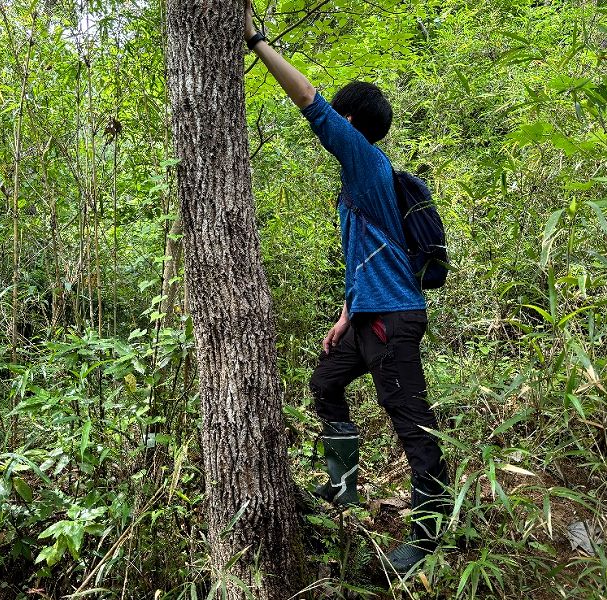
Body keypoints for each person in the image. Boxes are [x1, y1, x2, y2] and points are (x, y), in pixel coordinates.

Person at [244, 2, 450, 574]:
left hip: (393, 318)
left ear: (354, 125)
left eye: (342, 113)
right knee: (325, 383)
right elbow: (368, 255)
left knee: (410, 419)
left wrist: (259, 43)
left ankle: (428, 534)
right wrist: (344, 313)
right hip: (366, 315)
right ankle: (344, 490)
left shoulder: (364, 158)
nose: (333, 115)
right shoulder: (363, 180)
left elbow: (311, 103)